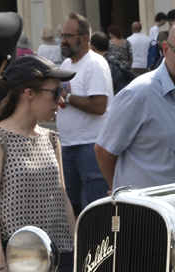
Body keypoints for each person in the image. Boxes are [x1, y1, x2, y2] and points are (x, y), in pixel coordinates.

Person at [0, 56, 76, 272]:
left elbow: (63, 198)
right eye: (55, 91)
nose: (61, 100)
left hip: (60, 251)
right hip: (19, 255)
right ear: (29, 93)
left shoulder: (51, 138)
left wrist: (75, 246)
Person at [95, 20, 175, 192]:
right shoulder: (138, 94)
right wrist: (118, 188)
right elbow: (104, 150)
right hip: (146, 213)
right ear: (165, 50)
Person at [57, 13, 112, 212]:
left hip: (90, 146)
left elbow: (99, 106)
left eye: (68, 36)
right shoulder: (66, 65)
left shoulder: (94, 64)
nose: (62, 41)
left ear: (84, 38)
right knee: (72, 207)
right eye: (61, 35)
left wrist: (67, 97)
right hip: (69, 145)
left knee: (94, 208)